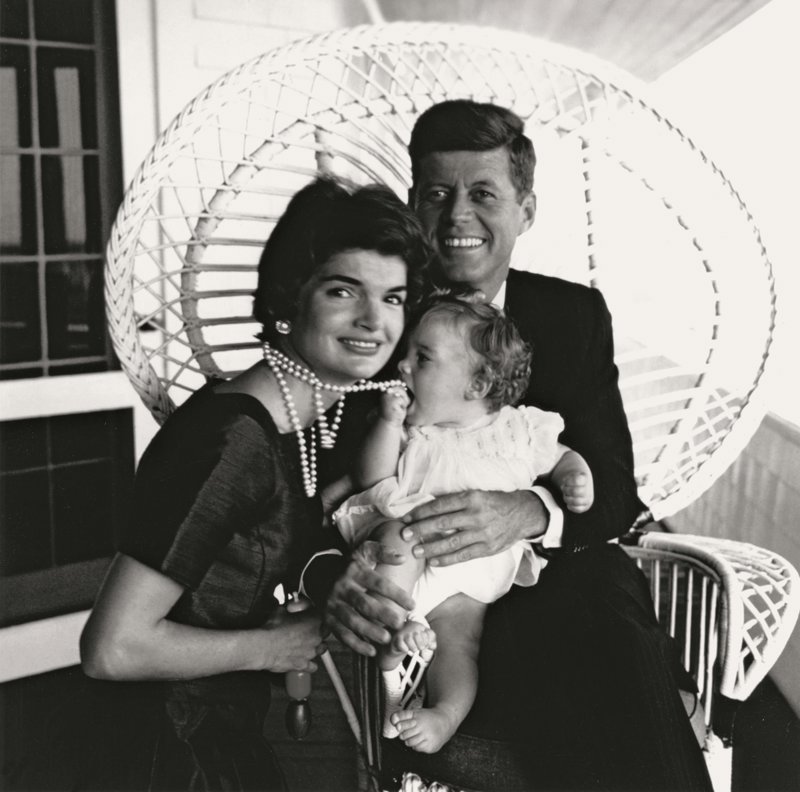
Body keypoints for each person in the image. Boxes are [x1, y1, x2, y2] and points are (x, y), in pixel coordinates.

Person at [317, 100, 713, 791]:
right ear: (413, 205)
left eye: (483, 194)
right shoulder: (377, 315)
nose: (458, 215)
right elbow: (310, 487)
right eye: (436, 194)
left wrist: (530, 511)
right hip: (420, 594)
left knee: (605, 608)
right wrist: (330, 577)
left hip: (547, 580)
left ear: (526, 209)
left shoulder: (572, 316)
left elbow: (614, 487)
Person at [71, 177, 432, 791]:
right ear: (289, 299)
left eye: (393, 297)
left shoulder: (305, 424)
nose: (374, 320)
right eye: (343, 290)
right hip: (167, 750)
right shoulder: (232, 438)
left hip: (219, 728)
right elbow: (112, 647)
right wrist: (271, 648)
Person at [333, 294, 593, 754]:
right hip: (412, 552)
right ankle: (393, 632)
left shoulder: (519, 430)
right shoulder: (414, 429)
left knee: (459, 645)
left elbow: (561, 457)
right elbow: (373, 479)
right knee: (397, 541)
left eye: (423, 358)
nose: (403, 366)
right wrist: (387, 424)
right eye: (408, 354)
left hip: (473, 575)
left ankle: (445, 714)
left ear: (477, 384)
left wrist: (575, 477)